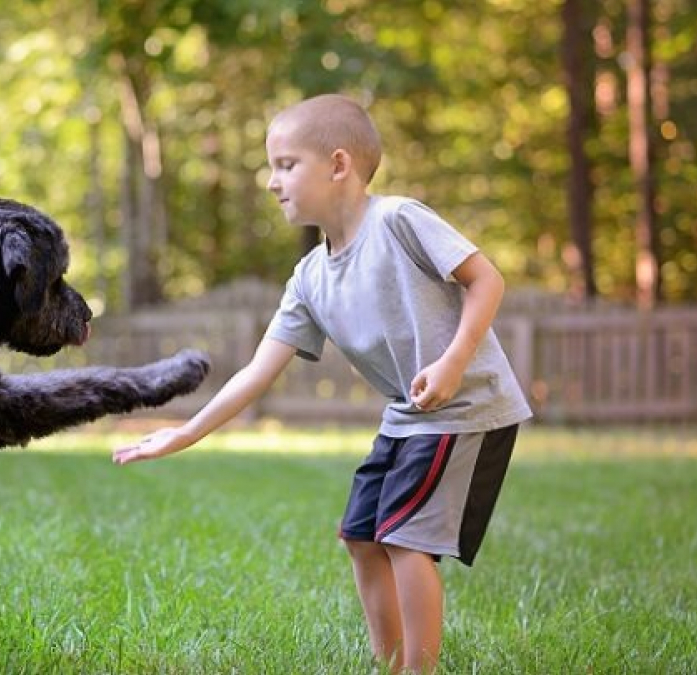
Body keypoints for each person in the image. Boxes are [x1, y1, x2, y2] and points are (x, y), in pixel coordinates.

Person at [112, 94, 532, 674]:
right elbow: (257, 371)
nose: (270, 181)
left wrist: (454, 362)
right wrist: (182, 434)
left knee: (407, 541)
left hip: (467, 406)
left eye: (286, 165)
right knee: (362, 537)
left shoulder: (399, 220)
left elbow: (486, 278)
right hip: (408, 415)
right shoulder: (310, 277)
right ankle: (388, 663)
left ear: (338, 165)